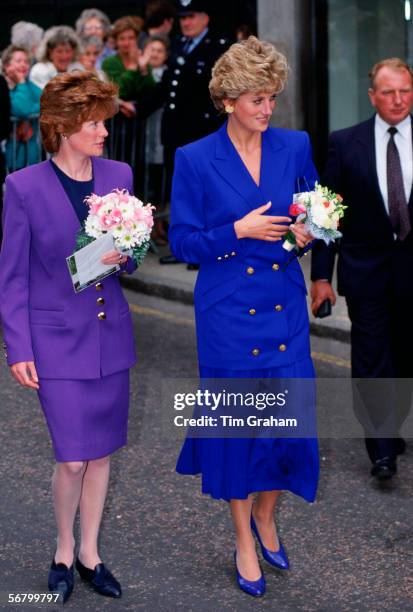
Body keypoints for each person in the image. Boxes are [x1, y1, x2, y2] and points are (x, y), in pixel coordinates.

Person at [169, 36, 319, 598]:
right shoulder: (194, 159)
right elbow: (182, 241)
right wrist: (237, 231)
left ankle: (266, 514)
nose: (267, 109)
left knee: (287, 422)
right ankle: (241, 537)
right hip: (227, 312)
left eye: (272, 98)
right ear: (229, 100)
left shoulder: (294, 145)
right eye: (257, 98)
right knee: (236, 430)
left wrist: (305, 234)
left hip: (282, 307)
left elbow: (310, 213)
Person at [0, 71, 137, 603]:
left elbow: (129, 257)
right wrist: (19, 348)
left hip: (111, 337)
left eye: (104, 120)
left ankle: (90, 553)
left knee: (101, 455)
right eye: (94, 122)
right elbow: (12, 276)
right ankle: (62, 547)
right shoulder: (22, 187)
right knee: (73, 457)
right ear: (63, 126)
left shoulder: (119, 172)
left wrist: (125, 256)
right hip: (54, 341)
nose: (104, 131)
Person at [311, 57, 413, 482]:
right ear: (372, 96)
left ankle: (392, 425)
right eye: (388, 92)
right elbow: (325, 215)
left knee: (405, 358)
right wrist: (320, 277)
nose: (398, 100)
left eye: (405, 91)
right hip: (365, 271)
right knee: (371, 358)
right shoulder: (344, 142)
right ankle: (381, 445)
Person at [137, 0, 230, 266]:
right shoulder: (178, 44)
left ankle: (204, 249)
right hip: (176, 135)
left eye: (191, 17)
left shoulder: (217, 48)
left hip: (202, 134)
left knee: (205, 194)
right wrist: (137, 108)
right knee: (181, 193)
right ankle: (184, 247)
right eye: (182, 18)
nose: (185, 22)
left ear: (205, 18)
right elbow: (167, 87)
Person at [102, 16, 154, 119]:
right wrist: (132, 67)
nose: (126, 43)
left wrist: (143, 69)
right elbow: (118, 91)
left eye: (131, 38)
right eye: (122, 38)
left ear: (136, 39)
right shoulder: (109, 62)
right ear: (116, 41)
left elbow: (150, 91)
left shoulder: (143, 60)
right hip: (116, 118)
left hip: (141, 117)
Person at [144, 35, 169, 244]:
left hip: (162, 134)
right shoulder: (143, 74)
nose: (155, 54)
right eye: (151, 50)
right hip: (145, 135)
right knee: (149, 184)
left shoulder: (169, 74)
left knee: (161, 183)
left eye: (159, 50)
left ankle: (160, 225)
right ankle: (151, 227)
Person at [2, 45, 42, 171]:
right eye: (18, 61)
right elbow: (21, 109)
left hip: (32, 154)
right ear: (6, 65)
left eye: (26, 61)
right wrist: (20, 83)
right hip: (11, 154)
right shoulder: (4, 88)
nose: (23, 65)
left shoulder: (30, 85)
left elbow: (47, 102)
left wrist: (30, 111)